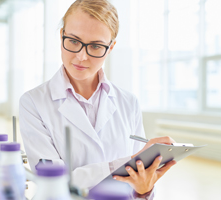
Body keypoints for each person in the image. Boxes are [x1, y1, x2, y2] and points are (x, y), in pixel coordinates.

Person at [19, 0, 177, 199]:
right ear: (61, 36)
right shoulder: (33, 102)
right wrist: (125, 163)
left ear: (110, 48)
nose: (81, 56)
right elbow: (54, 182)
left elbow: (140, 179)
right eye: (74, 41)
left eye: (95, 46)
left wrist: (144, 190)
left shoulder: (129, 103)